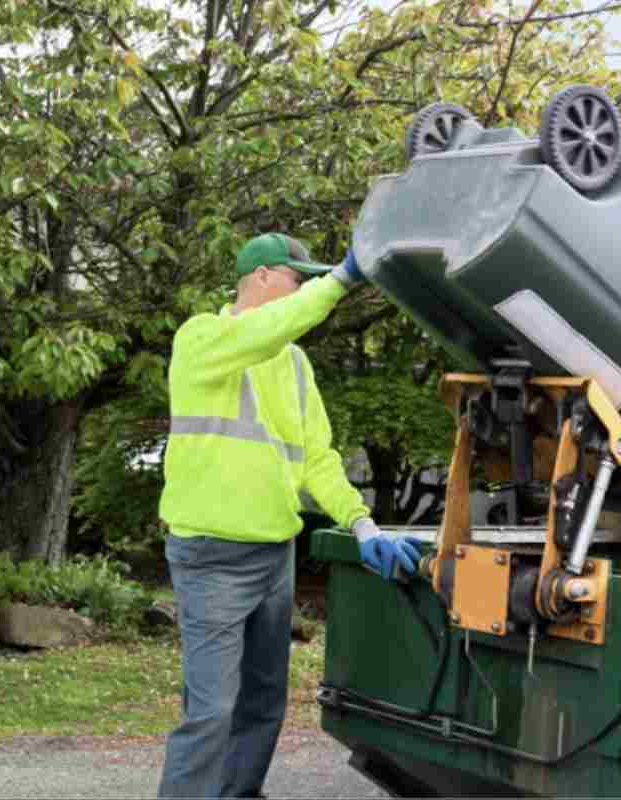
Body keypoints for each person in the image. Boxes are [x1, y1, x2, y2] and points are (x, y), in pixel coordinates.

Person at [157, 232, 423, 799]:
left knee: (263, 703)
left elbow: (318, 459)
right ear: (260, 277)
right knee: (210, 712)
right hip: (211, 556)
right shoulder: (202, 339)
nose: (304, 290)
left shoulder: (295, 365)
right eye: (297, 278)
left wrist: (362, 523)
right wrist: (342, 281)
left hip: (274, 553)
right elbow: (264, 331)